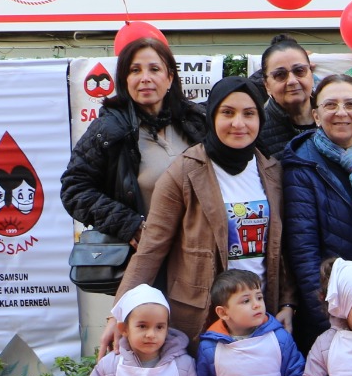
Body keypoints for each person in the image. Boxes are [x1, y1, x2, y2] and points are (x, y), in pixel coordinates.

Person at [107, 76, 294, 347]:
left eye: (249, 113)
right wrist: (117, 315)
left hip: (260, 316)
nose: (239, 123)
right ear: (212, 116)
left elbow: (284, 248)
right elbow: (151, 249)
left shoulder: (272, 172)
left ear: (260, 120)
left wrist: (288, 302)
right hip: (202, 319)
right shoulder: (184, 172)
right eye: (227, 113)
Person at [61, 36, 207, 249]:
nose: (145, 78)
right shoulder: (108, 129)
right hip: (144, 256)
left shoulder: (196, 121)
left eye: (154, 69)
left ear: (170, 78)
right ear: (124, 80)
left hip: (198, 252)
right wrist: (128, 224)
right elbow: (74, 190)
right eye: (135, 70)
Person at [281, 74, 352, 351]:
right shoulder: (301, 167)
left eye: (350, 104)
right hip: (333, 319)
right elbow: (304, 256)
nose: (341, 112)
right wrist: (332, 322)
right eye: (331, 105)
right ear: (316, 115)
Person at [63, 285, 199, 376]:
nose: (151, 334)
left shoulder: (183, 365)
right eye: (142, 326)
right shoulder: (110, 366)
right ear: (124, 329)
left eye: (159, 327)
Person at [196, 270, 304, 376]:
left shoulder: (279, 338)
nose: (256, 305)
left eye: (259, 297)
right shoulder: (210, 347)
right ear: (223, 313)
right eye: (246, 301)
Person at [254, 34, 316, 159]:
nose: (292, 81)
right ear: (267, 85)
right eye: (280, 75)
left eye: (299, 71)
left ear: (311, 74)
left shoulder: (334, 118)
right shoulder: (255, 131)